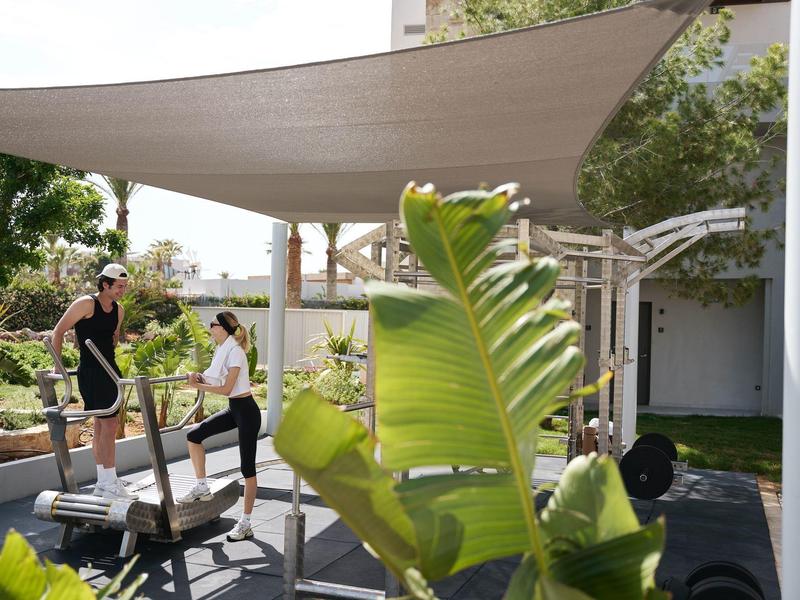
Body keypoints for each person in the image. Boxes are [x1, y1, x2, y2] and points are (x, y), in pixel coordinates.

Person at [52, 263, 137, 500]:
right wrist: (57, 366)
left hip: (111, 371)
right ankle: (109, 482)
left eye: (124, 286)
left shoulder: (119, 310)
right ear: (105, 284)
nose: (122, 290)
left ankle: (104, 482)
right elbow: (58, 332)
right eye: (119, 286)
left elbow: (113, 339)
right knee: (109, 427)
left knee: (103, 427)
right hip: (91, 371)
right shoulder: (86, 304)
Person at [178, 311, 261, 542]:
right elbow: (217, 380)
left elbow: (226, 389)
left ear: (223, 328)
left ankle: (245, 523)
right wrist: (198, 377)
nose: (210, 329)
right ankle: (201, 487)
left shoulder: (235, 353)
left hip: (247, 412)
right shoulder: (223, 349)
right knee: (194, 435)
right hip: (234, 409)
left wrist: (198, 386)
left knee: (248, 469)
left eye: (212, 325)